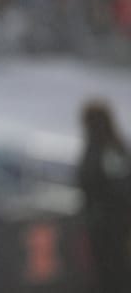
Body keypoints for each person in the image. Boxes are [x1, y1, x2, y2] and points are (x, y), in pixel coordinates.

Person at [77, 99, 131, 293]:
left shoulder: (108, 150)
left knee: (113, 274)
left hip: (111, 228)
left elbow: (120, 189)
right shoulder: (103, 148)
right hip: (101, 226)